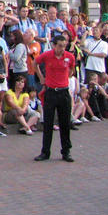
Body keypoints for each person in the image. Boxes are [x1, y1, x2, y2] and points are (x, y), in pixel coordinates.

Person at [33, 34, 76, 162]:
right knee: (48, 123)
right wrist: (41, 77)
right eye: (60, 46)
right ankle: (45, 152)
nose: (62, 49)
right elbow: (35, 62)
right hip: (51, 92)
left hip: (63, 92)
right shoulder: (47, 55)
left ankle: (66, 151)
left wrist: (66, 77)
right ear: (54, 45)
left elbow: (72, 69)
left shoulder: (69, 56)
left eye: (64, 46)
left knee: (65, 123)